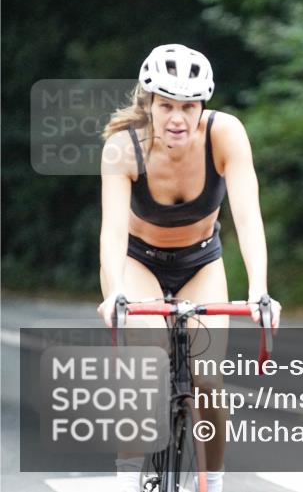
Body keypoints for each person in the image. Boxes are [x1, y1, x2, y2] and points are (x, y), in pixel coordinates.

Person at [98, 44, 281, 492]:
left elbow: (248, 217)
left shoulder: (226, 135)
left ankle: (211, 481)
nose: (178, 118)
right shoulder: (124, 148)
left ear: (203, 105)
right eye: (167, 106)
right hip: (139, 261)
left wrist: (259, 290)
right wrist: (114, 293)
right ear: (149, 104)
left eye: (189, 106)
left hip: (200, 261)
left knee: (207, 381)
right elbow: (112, 233)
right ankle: (128, 478)